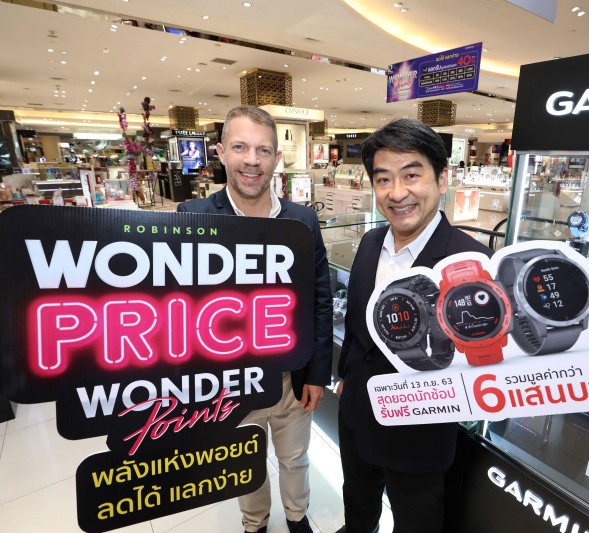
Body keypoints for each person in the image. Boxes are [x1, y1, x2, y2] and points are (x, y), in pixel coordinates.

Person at [177, 106, 332, 533]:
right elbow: (179, 308)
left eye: (263, 150)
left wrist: (318, 373)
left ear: (277, 159)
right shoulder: (194, 215)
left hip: (291, 379)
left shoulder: (302, 220)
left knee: (295, 458)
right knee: (244, 462)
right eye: (240, 147)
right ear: (221, 152)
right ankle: (255, 522)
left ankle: (297, 518)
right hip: (230, 383)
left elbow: (319, 298)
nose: (252, 160)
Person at [335, 119, 493, 533]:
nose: (397, 193)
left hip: (420, 435)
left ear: (442, 178)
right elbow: (357, 321)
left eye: (411, 175)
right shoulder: (371, 242)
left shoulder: (472, 262)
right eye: (383, 179)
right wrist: (347, 375)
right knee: (357, 509)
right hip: (356, 416)